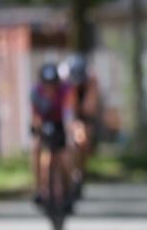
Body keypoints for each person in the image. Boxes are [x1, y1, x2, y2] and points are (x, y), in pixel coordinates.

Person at [30, 62, 76, 210]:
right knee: (36, 149)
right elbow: (35, 116)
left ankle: (69, 190)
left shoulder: (65, 91)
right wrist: (37, 128)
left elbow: (68, 113)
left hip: (61, 124)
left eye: (53, 84)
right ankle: (39, 189)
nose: (50, 88)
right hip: (44, 124)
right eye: (47, 84)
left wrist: (70, 130)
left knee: (65, 156)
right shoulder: (36, 93)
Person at [65, 54, 102, 195]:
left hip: (83, 111)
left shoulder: (92, 79)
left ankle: (79, 172)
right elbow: (66, 108)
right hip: (67, 108)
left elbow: (89, 108)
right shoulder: (63, 78)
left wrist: (82, 126)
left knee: (83, 139)